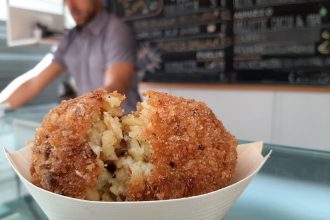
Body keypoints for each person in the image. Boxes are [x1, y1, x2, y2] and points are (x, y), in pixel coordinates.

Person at [0, 0, 140, 113]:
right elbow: (33, 83)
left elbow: (116, 87)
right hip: (91, 122)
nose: (70, 5)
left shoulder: (117, 31)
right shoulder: (69, 39)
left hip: (125, 126)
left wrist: (75, 112)